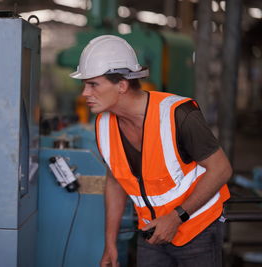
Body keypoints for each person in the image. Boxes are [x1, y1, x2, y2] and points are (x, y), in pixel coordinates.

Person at [69, 35, 232, 267]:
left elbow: (221, 169)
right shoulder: (103, 125)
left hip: (198, 230)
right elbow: (116, 180)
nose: (85, 93)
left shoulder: (178, 114)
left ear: (122, 85)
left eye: (93, 84)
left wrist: (177, 217)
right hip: (151, 232)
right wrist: (110, 243)